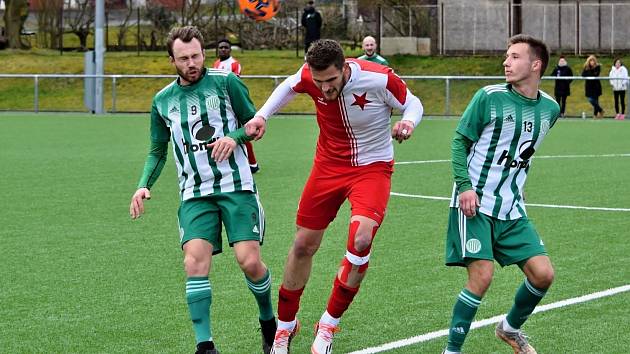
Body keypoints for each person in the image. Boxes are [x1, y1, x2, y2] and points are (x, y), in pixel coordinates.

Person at [245, 39, 423, 354]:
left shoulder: (378, 77)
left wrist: (407, 121)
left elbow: (413, 102)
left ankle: (328, 323)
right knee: (303, 246)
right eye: (319, 82)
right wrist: (262, 116)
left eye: (331, 80)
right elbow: (288, 86)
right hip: (327, 167)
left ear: (344, 68)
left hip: (372, 169)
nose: (325, 88)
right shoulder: (309, 77)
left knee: (361, 240)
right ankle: (285, 327)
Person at [128, 26, 276, 354]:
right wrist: (143, 186)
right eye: (183, 58)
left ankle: (269, 323)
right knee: (194, 263)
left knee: (249, 262)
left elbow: (256, 124)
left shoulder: (227, 83)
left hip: (237, 187)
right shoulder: (163, 101)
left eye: (196, 56)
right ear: (172, 60)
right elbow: (157, 150)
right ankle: (205, 346)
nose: (191, 63)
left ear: (204, 54)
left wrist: (233, 137)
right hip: (194, 194)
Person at [443, 34, 559, 354]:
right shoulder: (488, 97)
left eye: (514, 57)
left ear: (535, 65)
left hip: (511, 206)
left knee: (543, 274)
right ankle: (451, 351)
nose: (506, 62)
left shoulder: (550, 109)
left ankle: (509, 329)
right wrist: (465, 187)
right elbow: (459, 142)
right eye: (506, 56)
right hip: (475, 201)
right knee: (482, 277)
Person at [213, 38, 261, 173]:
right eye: (221, 47)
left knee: (243, 132)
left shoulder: (234, 64)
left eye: (226, 47)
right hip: (220, 104)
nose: (223, 49)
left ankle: (253, 164)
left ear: (229, 50)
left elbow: (235, 84)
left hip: (233, 102)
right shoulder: (216, 63)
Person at [582, 54, 604, 119]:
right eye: (590, 61)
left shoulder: (598, 67)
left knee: (596, 100)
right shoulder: (586, 67)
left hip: (596, 86)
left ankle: (595, 115)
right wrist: (589, 72)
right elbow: (583, 74)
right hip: (589, 86)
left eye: (593, 61)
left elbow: (596, 74)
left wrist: (589, 73)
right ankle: (601, 110)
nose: (592, 62)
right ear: (588, 61)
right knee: (590, 100)